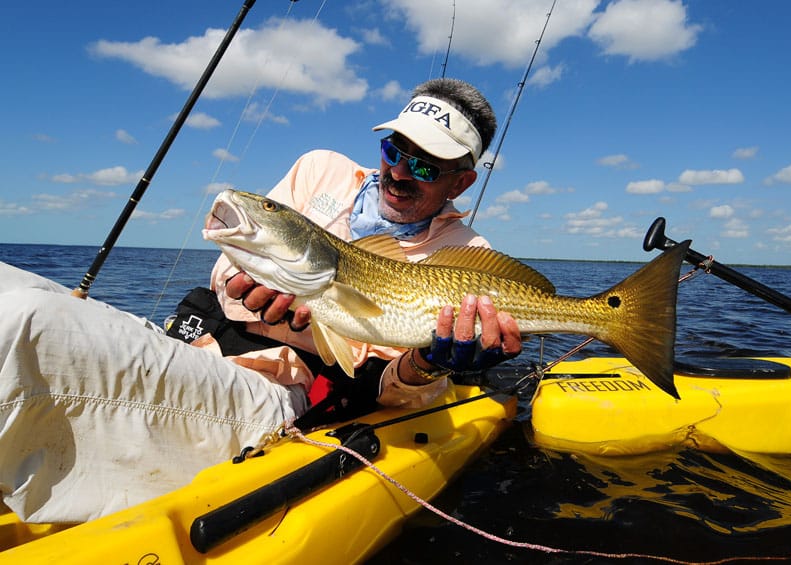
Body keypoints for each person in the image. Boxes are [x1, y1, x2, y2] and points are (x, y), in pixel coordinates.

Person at [0, 78, 521, 524]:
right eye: (393, 150)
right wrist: (249, 291)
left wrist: (429, 365)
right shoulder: (320, 169)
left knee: (28, 321)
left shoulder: (468, 255)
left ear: (464, 180)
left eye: (426, 167)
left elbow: (387, 390)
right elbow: (232, 259)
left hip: (276, 386)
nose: (400, 173)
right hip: (191, 343)